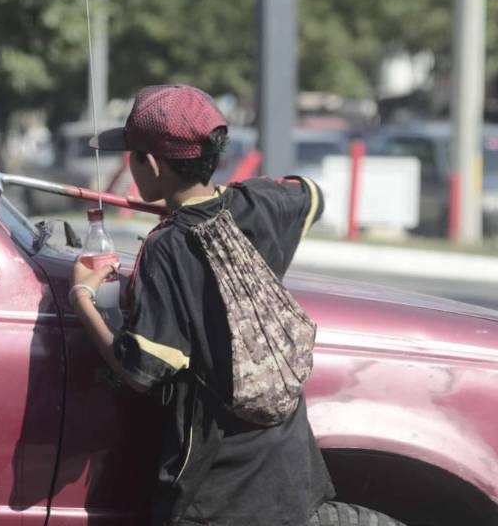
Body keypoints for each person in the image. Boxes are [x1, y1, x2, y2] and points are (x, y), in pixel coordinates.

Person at [69, 84, 335, 526]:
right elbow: (311, 193)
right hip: (289, 472)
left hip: (217, 493)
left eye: (132, 155)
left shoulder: (167, 248)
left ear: (149, 164)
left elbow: (140, 368)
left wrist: (83, 298)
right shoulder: (258, 203)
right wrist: (221, 200)